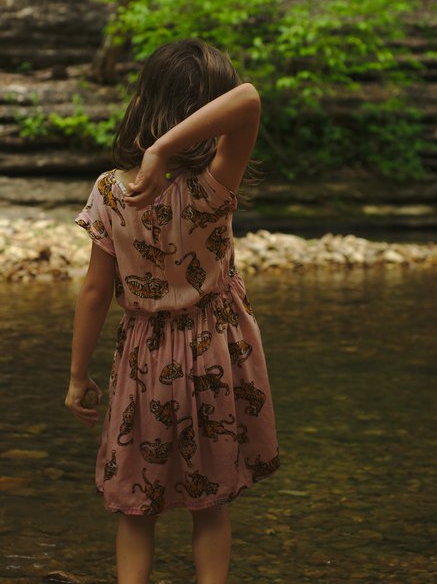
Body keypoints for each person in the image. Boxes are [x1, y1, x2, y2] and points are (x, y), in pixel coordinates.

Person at [65, 39, 280, 584]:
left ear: (145, 101)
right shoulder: (214, 184)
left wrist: (76, 376)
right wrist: (165, 152)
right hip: (213, 354)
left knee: (137, 505)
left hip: (145, 359)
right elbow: (250, 100)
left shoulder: (112, 191)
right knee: (209, 504)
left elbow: (94, 292)